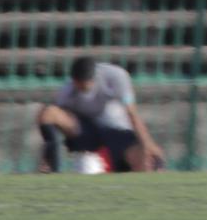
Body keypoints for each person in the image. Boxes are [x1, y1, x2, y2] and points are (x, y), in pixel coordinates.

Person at [36, 56, 166, 173]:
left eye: (84, 86)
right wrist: (47, 154)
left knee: (144, 158)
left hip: (118, 131)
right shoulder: (68, 90)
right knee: (48, 113)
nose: (80, 88)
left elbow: (132, 113)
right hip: (88, 132)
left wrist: (148, 144)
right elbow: (57, 117)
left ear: (93, 79)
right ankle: (53, 168)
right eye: (78, 85)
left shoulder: (116, 76)